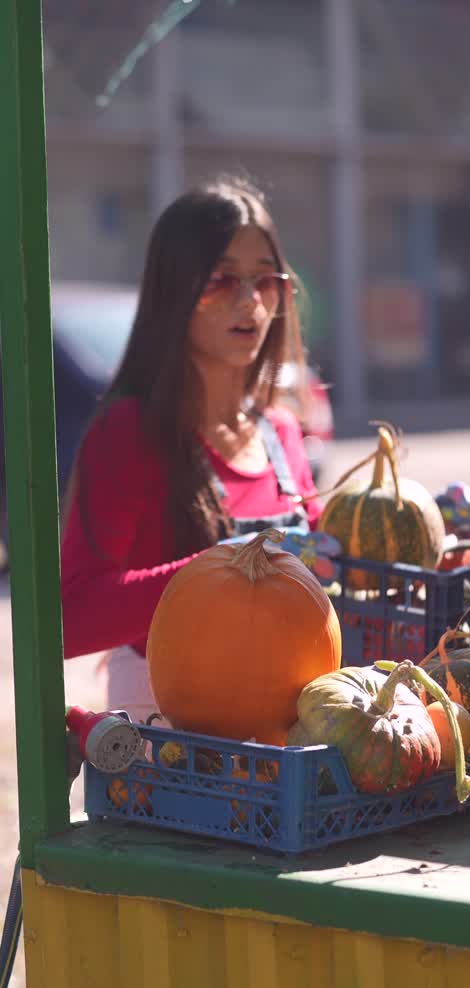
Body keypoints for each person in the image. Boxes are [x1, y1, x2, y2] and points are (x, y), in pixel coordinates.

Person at [61, 176, 322, 721]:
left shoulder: (283, 431)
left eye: (266, 281)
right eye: (221, 280)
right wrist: (226, 570)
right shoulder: (129, 432)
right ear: (174, 293)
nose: (249, 301)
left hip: (288, 742)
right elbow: (71, 616)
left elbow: (326, 561)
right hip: (175, 755)